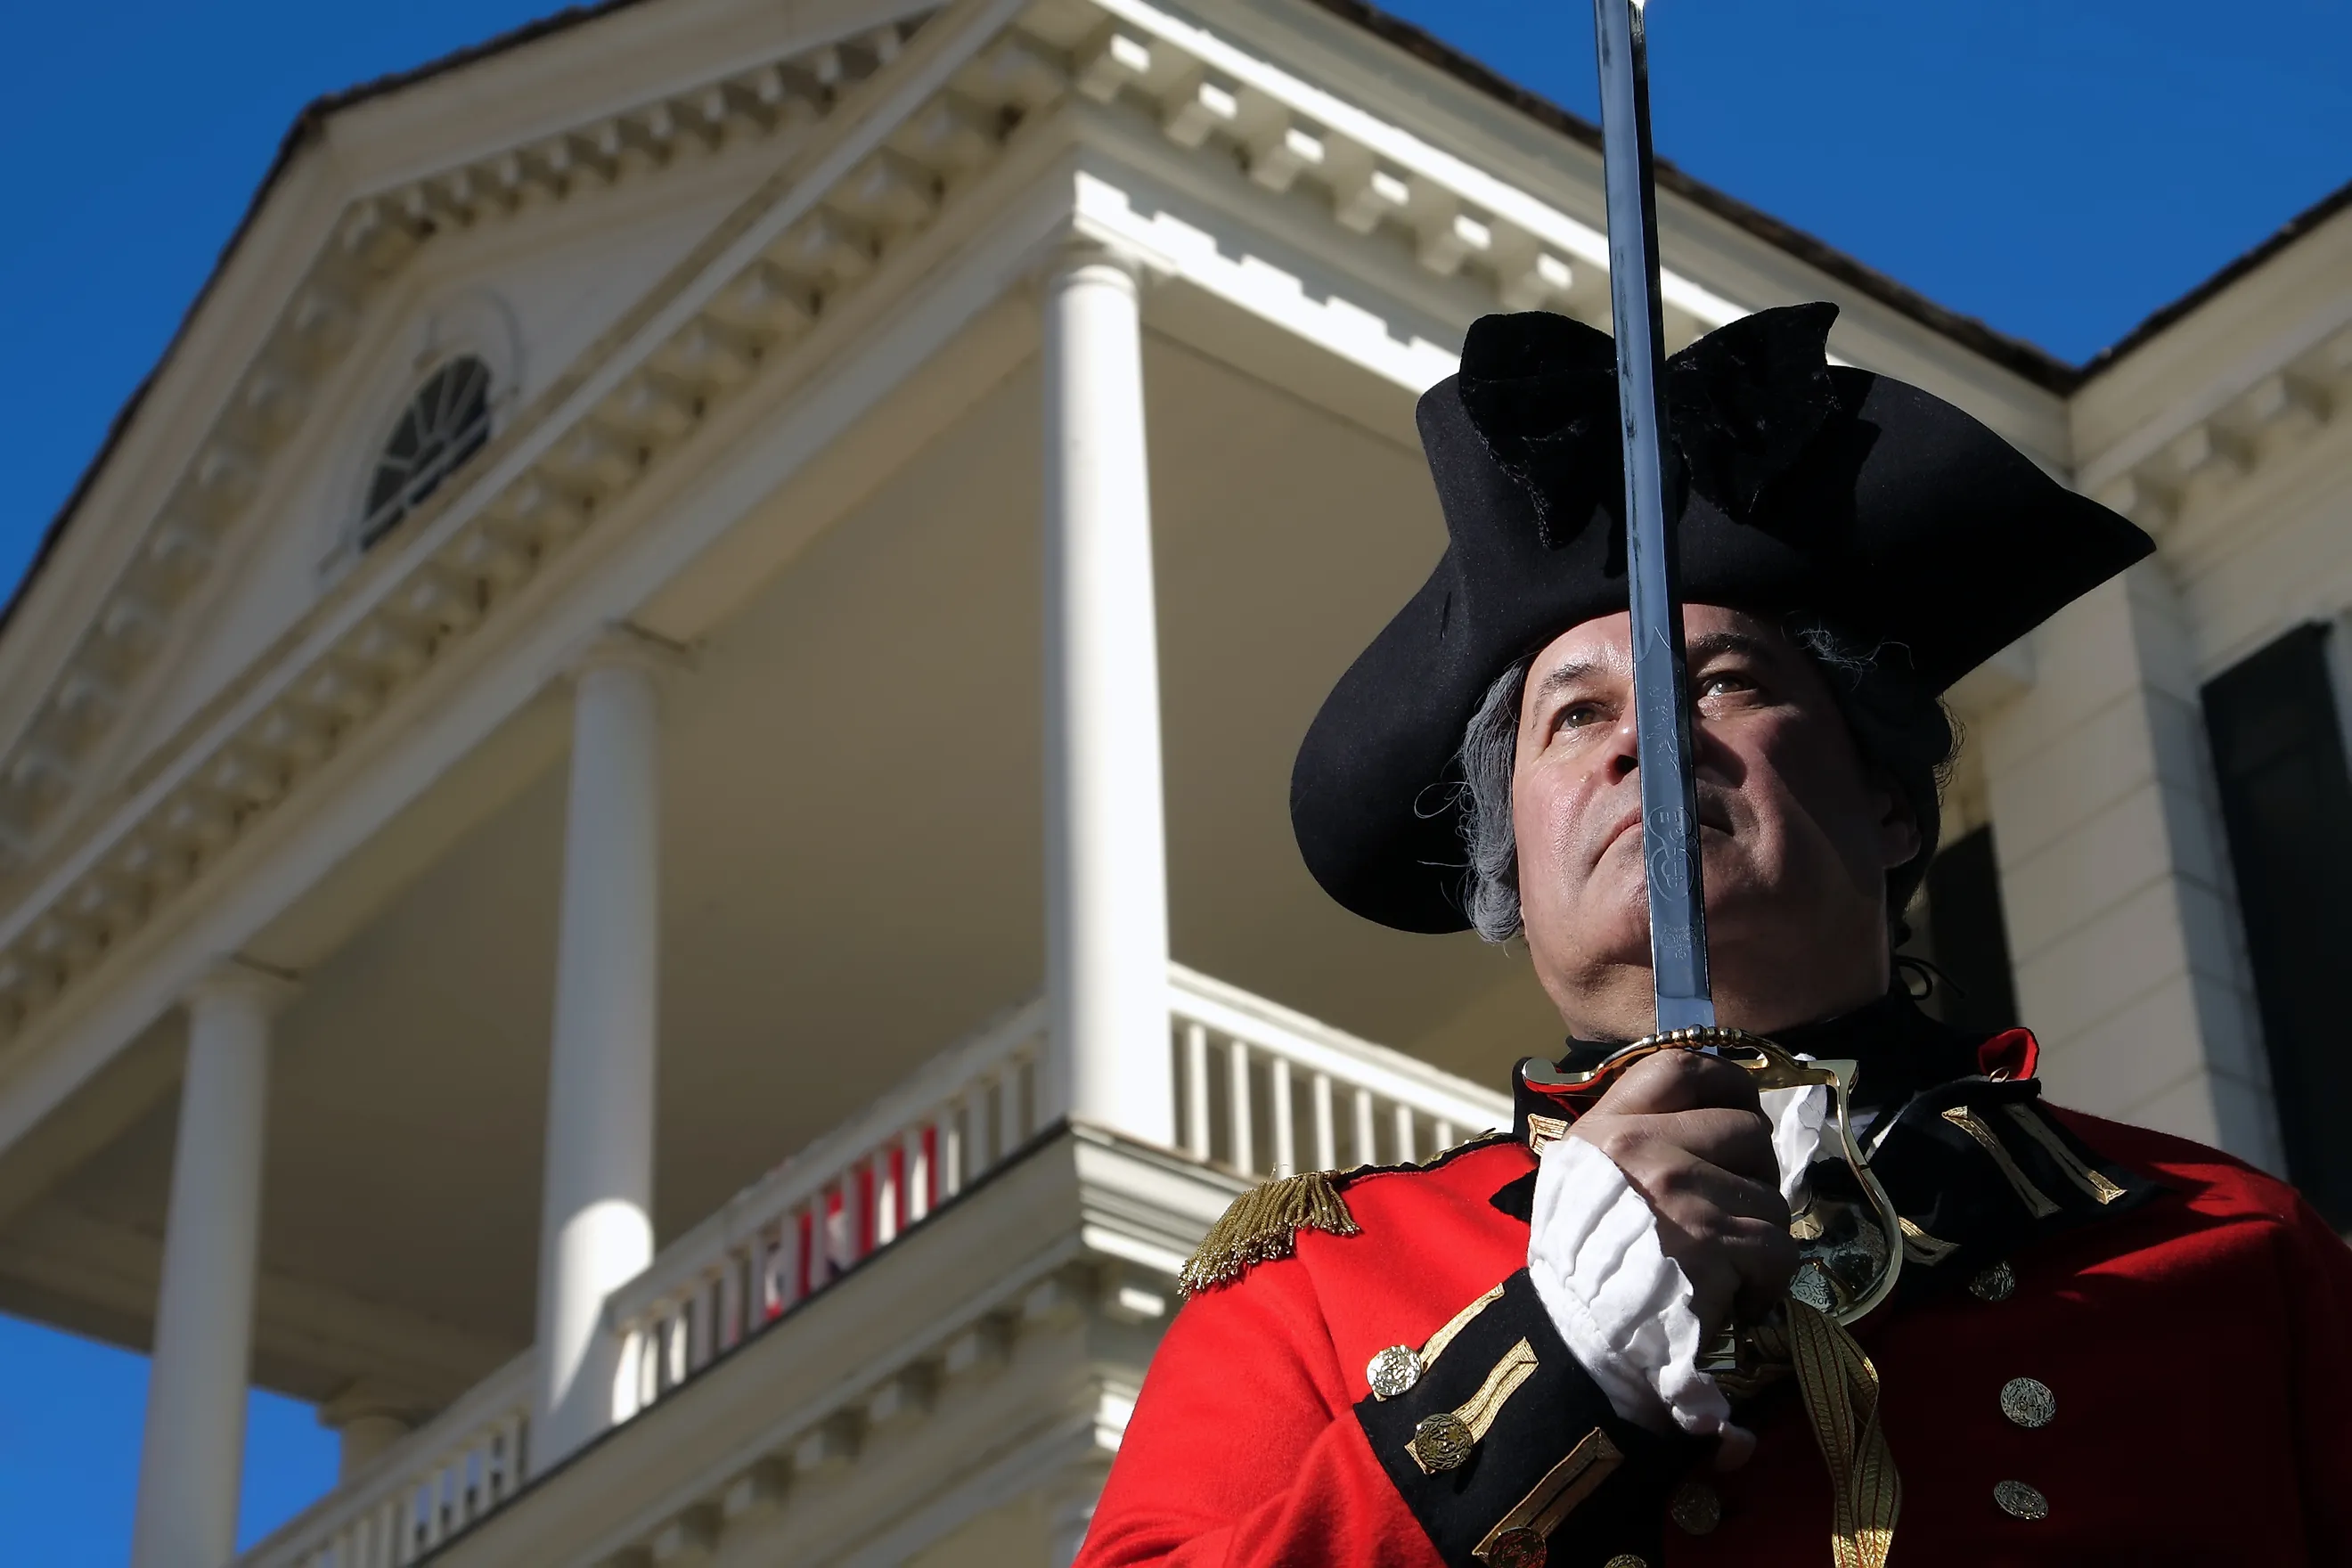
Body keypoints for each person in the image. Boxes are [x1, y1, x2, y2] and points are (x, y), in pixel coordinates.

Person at [1073, 305, 2352, 1568]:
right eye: (1574, 718)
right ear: (1510, 871)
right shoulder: (1317, 1290)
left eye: (1727, 683)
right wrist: (1549, 1375)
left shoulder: (2232, 1252)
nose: (1646, 737)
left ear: (1893, 802)